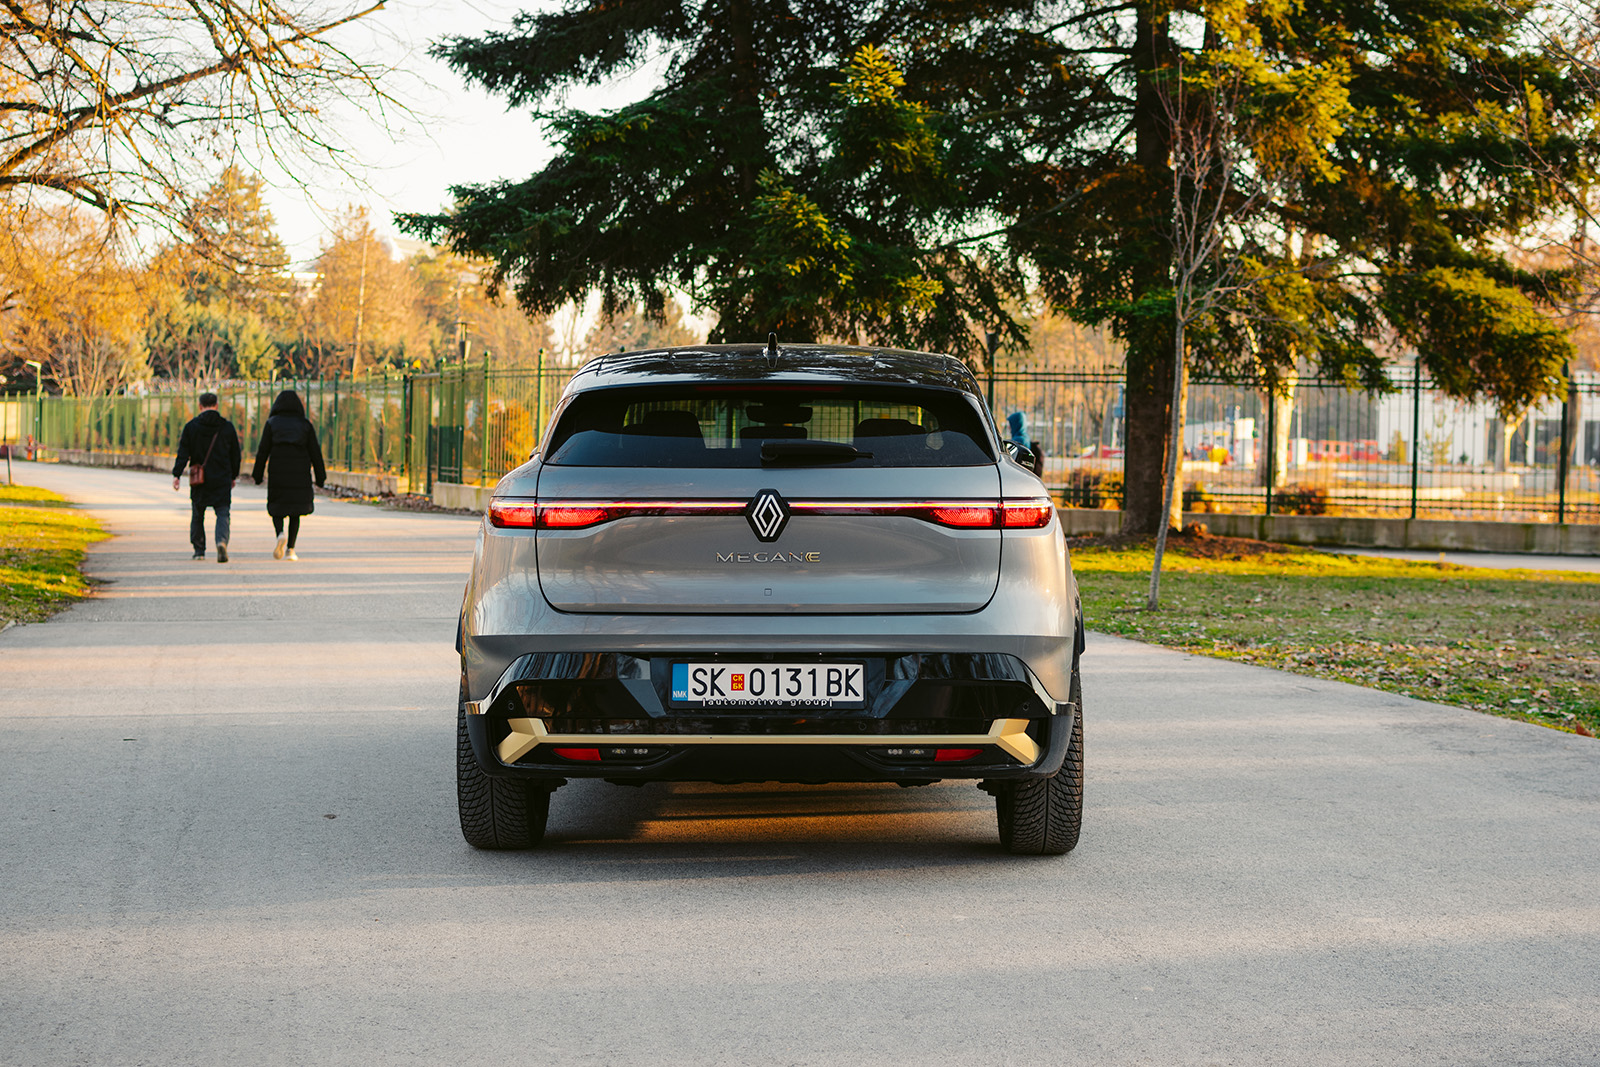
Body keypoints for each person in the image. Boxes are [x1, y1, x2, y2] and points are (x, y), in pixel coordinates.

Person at [252, 390, 325, 561]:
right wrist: (320, 478)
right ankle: (291, 549)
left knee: (277, 507)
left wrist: (257, 475)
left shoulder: (272, 424)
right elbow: (315, 452)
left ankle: (280, 534)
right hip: (300, 473)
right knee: (295, 511)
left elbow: (263, 451)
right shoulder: (305, 425)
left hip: (278, 472)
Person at [172, 392, 242, 562]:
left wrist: (177, 474)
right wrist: (233, 475)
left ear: (200, 406)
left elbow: (183, 453)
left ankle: (199, 550)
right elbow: (235, 455)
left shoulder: (191, 427)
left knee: (198, 514)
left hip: (199, 479)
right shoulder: (227, 427)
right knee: (223, 512)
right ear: (216, 406)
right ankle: (221, 541)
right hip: (222, 477)